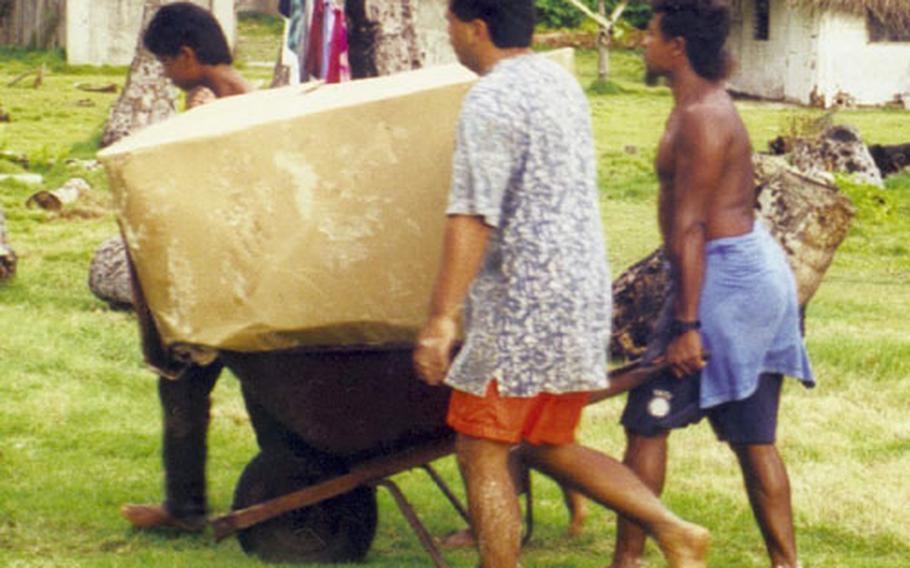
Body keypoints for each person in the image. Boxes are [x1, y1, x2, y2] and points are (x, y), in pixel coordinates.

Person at [413, 2, 710, 567]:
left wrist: (441, 318)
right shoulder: (558, 80)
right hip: (577, 295)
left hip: (522, 306)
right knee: (547, 441)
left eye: (450, 23)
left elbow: (474, 214)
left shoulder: (491, 97)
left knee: (482, 448)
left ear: (477, 28)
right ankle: (674, 531)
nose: (448, 35)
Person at [609, 2, 814, 568]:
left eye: (649, 34)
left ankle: (626, 562)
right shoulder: (694, 106)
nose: (641, 44)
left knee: (647, 422)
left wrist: (687, 325)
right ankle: (786, 563)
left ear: (676, 46)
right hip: (743, 275)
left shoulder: (702, 116)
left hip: (730, 281)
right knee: (753, 437)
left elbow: (693, 224)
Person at [120, 2, 252, 532]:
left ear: (188, 55)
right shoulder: (240, 93)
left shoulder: (215, 103)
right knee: (261, 394)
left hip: (217, 273)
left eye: (164, 63)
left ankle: (185, 508)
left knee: (180, 384)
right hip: (239, 269)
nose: (164, 74)